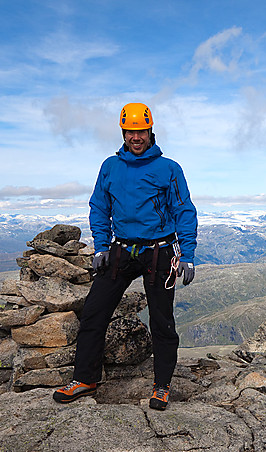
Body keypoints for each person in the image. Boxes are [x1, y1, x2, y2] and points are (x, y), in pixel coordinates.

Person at [53, 102, 197, 410]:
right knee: (94, 310)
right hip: (121, 249)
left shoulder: (168, 169)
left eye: (141, 131)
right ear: (123, 132)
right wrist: (102, 246)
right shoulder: (110, 166)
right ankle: (85, 378)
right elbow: (99, 206)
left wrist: (188, 253)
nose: (136, 137)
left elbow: (183, 210)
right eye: (131, 131)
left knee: (161, 320)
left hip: (159, 250)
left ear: (150, 131)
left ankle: (161, 385)